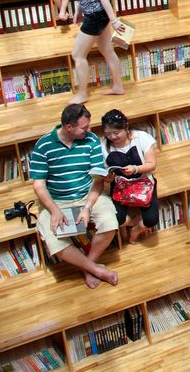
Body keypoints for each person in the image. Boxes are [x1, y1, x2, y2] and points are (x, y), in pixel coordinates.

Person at [30, 104, 119, 289]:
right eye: (84, 127)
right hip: (57, 201)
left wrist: (87, 207)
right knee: (54, 241)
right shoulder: (44, 145)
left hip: (88, 194)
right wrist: (54, 210)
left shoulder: (91, 140)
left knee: (110, 222)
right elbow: (39, 185)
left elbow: (97, 179)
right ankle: (96, 269)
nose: (89, 130)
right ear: (69, 127)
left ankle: (88, 267)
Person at [99, 109, 159, 245]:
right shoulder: (104, 145)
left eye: (116, 132)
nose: (113, 137)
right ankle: (132, 221)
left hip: (144, 183)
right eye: (108, 133)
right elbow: (106, 170)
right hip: (120, 184)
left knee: (151, 220)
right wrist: (107, 178)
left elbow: (152, 164)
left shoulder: (141, 137)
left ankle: (136, 230)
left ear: (126, 127)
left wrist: (135, 169)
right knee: (115, 220)